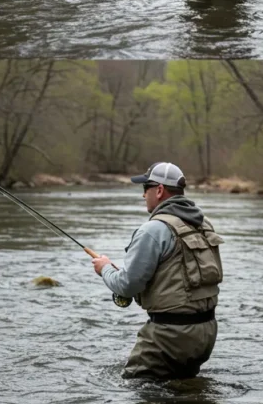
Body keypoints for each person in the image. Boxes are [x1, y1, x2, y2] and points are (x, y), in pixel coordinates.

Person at [91, 162, 223, 379]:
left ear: (159, 190)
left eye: (146, 189)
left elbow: (126, 286)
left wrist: (104, 268)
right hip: (205, 332)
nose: (143, 195)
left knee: (137, 388)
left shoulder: (153, 230)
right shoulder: (203, 224)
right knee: (182, 392)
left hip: (169, 336)